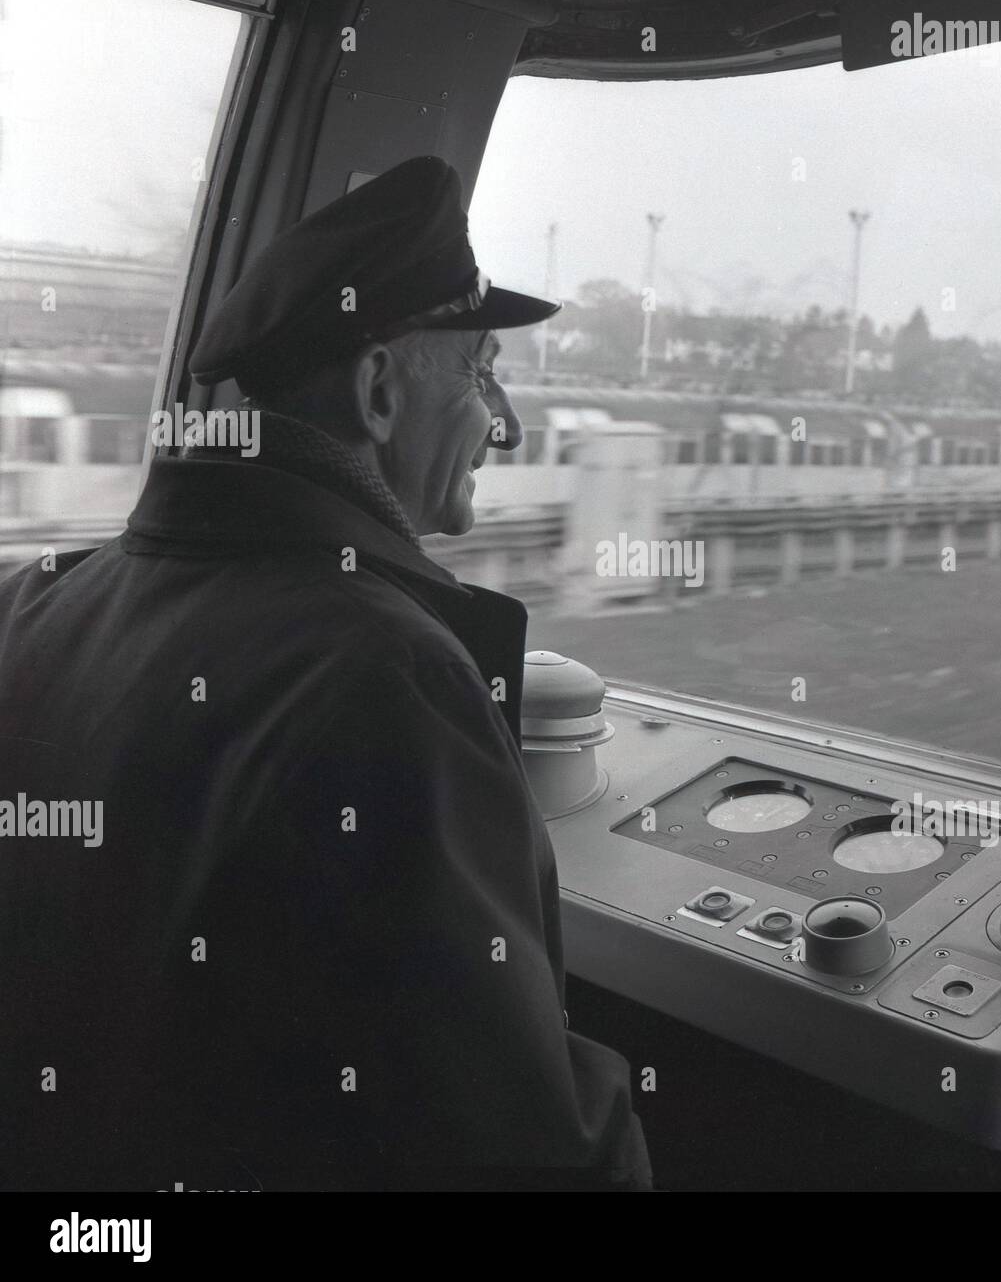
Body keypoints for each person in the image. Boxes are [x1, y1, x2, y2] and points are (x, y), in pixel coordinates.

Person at [0, 156, 651, 1190]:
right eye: (482, 371)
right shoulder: (390, 682)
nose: (506, 422)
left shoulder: (34, 601)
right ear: (381, 391)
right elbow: (530, 1160)